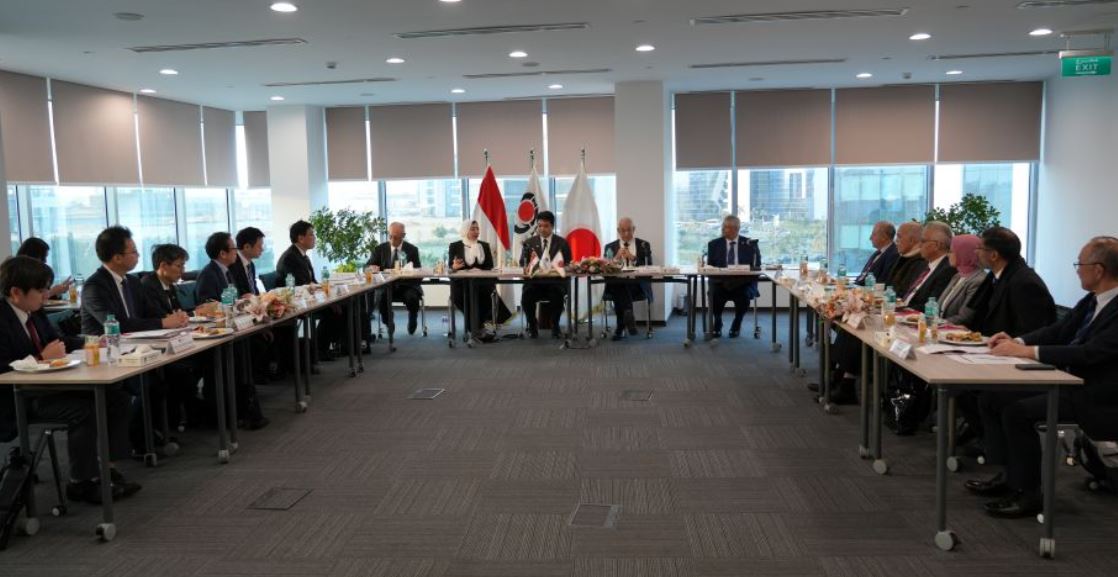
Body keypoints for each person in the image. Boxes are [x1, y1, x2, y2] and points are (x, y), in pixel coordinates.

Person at [970, 236, 1118, 518]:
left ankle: (1028, 492)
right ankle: (1008, 475)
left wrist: (1028, 352)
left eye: (1080, 264)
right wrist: (1018, 340)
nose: (1077, 270)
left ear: (1098, 270)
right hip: (1067, 381)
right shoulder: (1092, 300)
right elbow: (1058, 331)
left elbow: (1091, 353)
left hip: (1097, 394)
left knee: (1017, 412)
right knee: (992, 398)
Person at [0, 256, 139, 504]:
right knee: (83, 409)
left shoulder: (34, 312)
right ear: (16, 292)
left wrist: (92, 341)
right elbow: (3, 369)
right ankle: (81, 482)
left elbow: (60, 341)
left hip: (49, 386)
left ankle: (107, 467)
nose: (46, 296)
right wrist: (41, 358)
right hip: (17, 397)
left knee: (117, 396)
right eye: (40, 290)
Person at [82, 226, 191, 455]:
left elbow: (151, 313)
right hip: (105, 358)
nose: (138, 256)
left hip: (136, 350)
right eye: (133, 252)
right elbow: (117, 325)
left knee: (171, 375)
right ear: (117, 257)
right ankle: (138, 441)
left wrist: (174, 319)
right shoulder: (94, 286)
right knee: (147, 385)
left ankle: (151, 432)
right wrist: (163, 323)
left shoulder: (131, 282)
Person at [959, 226, 1057, 462]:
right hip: (997, 350)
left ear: (994, 255)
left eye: (980, 248)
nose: (976, 253)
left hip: (1017, 361)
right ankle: (988, 439)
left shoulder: (1024, 282)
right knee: (959, 385)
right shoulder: (1000, 276)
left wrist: (1008, 343)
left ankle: (993, 447)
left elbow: (1033, 330)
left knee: (970, 390)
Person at [275, 220, 341, 360]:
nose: (314, 238)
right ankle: (318, 350)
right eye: (311, 234)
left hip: (308, 298)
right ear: (300, 238)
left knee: (339, 307)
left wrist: (326, 292)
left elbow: (312, 282)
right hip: (295, 302)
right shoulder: (290, 258)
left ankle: (324, 348)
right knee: (332, 311)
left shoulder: (302, 256)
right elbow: (302, 285)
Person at [705, 215, 761, 338]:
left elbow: (757, 266)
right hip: (720, 281)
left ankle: (737, 322)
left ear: (737, 228)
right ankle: (717, 321)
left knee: (744, 296)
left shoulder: (750, 244)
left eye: (730, 227)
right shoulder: (714, 244)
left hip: (742, 282)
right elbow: (710, 267)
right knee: (714, 295)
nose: (726, 230)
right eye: (725, 227)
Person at [519, 211, 571, 339]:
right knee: (526, 295)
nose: (542, 229)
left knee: (557, 293)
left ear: (552, 226)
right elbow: (522, 263)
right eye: (540, 226)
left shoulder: (562, 243)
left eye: (546, 226)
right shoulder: (529, 243)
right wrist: (529, 263)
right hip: (535, 283)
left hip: (555, 282)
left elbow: (568, 264)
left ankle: (555, 325)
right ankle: (532, 325)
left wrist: (559, 266)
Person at [366, 222, 423, 336]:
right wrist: (371, 268)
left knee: (412, 297)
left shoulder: (412, 250)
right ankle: (388, 321)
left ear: (403, 236)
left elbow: (418, 273)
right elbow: (367, 267)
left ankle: (413, 316)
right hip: (386, 285)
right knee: (381, 297)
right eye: (390, 236)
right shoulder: (379, 249)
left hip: (406, 285)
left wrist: (409, 273)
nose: (392, 239)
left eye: (395, 237)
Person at [603, 217, 653, 340]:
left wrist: (633, 258)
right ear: (618, 230)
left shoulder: (643, 245)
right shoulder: (610, 247)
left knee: (621, 290)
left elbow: (649, 266)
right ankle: (628, 314)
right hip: (616, 284)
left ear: (634, 229)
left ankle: (620, 328)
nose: (626, 234)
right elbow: (605, 269)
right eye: (623, 230)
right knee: (620, 285)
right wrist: (616, 258)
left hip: (637, 285)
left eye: (629, 230)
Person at [448, 220, 495, 337]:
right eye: (473, 229)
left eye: (477, 229)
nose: (476, 232)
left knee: (486, 297)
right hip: (461, 283)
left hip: (481, 282)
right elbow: (450, 267)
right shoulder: (455, 246)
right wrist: (454, 267)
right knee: (462, 297)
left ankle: (474, 327)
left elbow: (489, 266)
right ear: (465, 230)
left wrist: (479, 271)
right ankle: (475, 327)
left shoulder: (484, 245)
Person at [900, 221, 956, 311]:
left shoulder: (947, 270)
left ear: (937, 245)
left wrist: (903, 310)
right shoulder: (920, 265)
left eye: (923, 241)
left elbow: (930, 304)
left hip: (916, 315)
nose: (919, 245)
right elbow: (903, 291)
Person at [937, 234, 986, 326]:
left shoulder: (978, 281)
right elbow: (939, 307)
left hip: (956, 332)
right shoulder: (957, 276)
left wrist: (936, 323)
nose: (948, 255)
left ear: (964, 253)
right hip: (941, 328)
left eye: (951, 251)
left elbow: (964, 318)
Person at [194, 232, 243, 303]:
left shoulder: (227, 271)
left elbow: (231, 300)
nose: (236, 251)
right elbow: (209, 305)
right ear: (223, 254)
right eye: (234, 248)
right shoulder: (208, 275)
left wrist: (243, 300)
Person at [854, 221, 899, 286]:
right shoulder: (877, 253)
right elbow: (863, 275)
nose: (870, 238)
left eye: (874, 234)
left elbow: (882, 281)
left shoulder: (894, 255)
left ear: (884, 237)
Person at [888, 221, 926, 296]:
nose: (896, 241)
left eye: (899, 236)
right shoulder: (901, 257)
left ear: (912, 240)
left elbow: (903, 292)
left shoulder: (921, 262)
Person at [231, 227, 265, 296]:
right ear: (247, 247)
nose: (262, 249)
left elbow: (254, 290)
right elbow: (237, 294)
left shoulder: (251, 264)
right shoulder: (233, 265)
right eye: (259, 246)